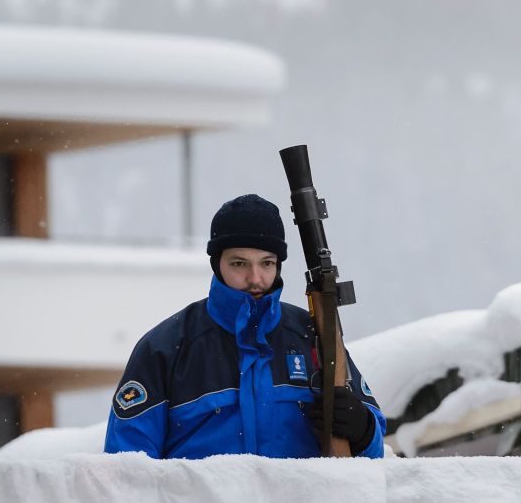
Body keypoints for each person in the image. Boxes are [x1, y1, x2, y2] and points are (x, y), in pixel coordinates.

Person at [104, 194, 386, 459]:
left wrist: (363, 431)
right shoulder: (165, 348)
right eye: (239, 263)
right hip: (199, 500)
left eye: (267, 263)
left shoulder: (314, 338)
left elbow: (374, 458)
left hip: (300, 499)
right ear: (217, 264)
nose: (255, 278)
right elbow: (127, 467)